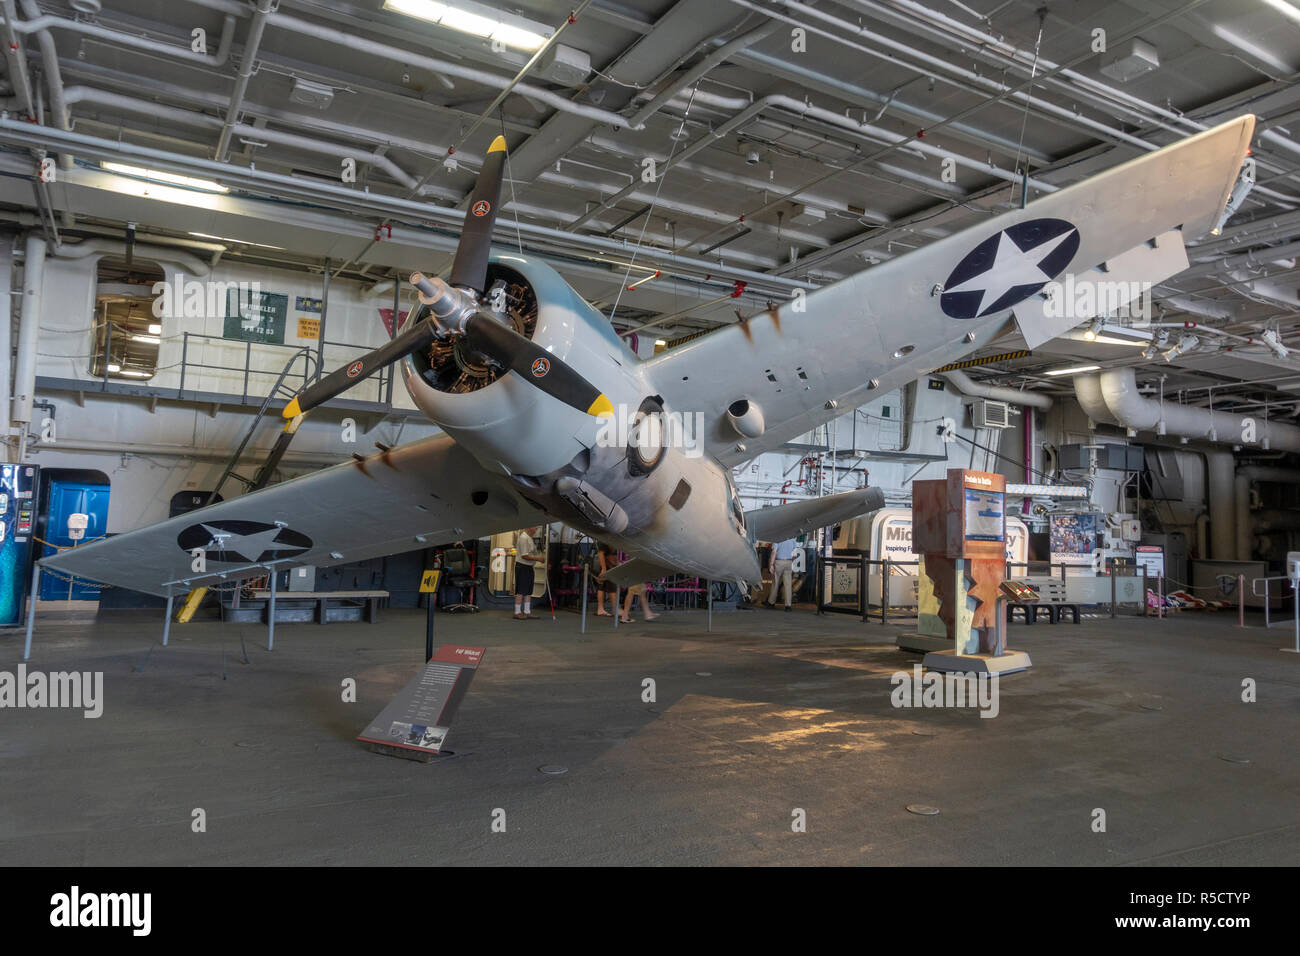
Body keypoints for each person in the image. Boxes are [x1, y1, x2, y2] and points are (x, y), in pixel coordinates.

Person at [513, 526, 543, 620]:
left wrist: (538, 559)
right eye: (535, 528)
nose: (536, 530)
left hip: (528, 567)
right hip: (522, 566)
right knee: (521, 590)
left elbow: (532, 553)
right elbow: (524, 555)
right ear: (530, 527)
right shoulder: (523, 538)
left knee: (528, 590)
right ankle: (517, 612)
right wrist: (538, 559)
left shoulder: (529, 538)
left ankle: (527, 611)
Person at [765, 536, 798, 611]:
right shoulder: (792, 539)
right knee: (788, 585)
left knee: (775, 583)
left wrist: (771, 564)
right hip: (788, 562)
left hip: (778, 562)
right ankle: (788, 606)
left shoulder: (778, 538)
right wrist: (790, 560)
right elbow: (795, 555)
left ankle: (771, 602)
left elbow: (774, 552)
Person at [593, 541, 617, 616]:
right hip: (606, 564)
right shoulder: (605, 539)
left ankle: (600, 609)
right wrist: (603, 569)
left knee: (601, 587)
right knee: (612, 587)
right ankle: (615, 609)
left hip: (608, 564)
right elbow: (600, 553)